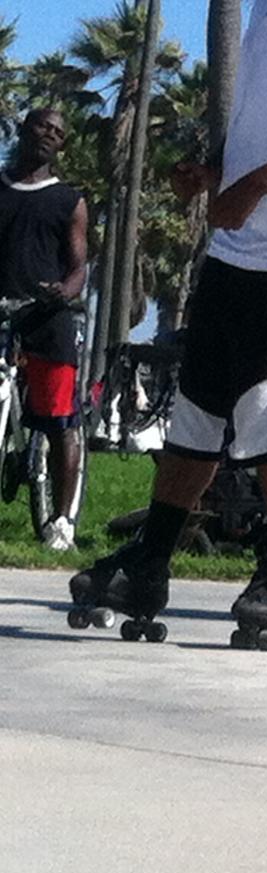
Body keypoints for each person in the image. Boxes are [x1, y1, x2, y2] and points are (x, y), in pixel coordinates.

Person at [70, 0, 267, 636]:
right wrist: (216, 173)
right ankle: (149, 563)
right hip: (242, 247)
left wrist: (257, 184)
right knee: (200, 408)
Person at [0, 109, 89, 550]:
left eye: (58, 131)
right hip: (2, 312)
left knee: (59, 421)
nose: (49, 135)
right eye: (42, 126)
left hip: (47, 317)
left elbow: (78, 267)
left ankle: (60, 520)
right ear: (23, 129)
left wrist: (65, 292)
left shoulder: (69, 201)